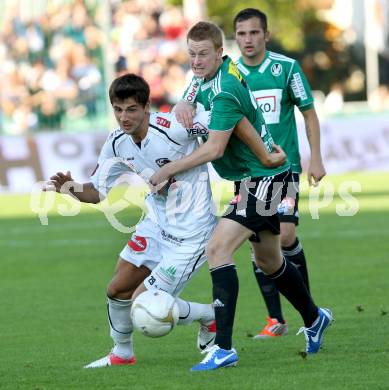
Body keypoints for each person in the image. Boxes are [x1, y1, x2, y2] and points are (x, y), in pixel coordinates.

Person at [45, 73, 283, 368]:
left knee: (143, 304)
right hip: (156, 225)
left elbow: (231, 116)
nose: (124, 117)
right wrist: (70, 188)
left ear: (147, 107)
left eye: (131, 109)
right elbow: (97, 193)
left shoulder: (176, 128)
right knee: (116, 290)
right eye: (118, 110)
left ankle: (209, 316)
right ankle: (121, 354)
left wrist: (265, 152)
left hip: (192, 235)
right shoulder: (117, 143)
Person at [150, 21, 333, 371]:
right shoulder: (212, 76)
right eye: (191, 54)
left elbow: (216, 148)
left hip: (262, 181)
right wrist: (183, 104)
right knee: (269, 262)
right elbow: (227, 115)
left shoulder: (226, 88)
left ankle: (224, 348)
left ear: (220, 53)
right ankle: (314, 317)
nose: (197, 61)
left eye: (204, 54)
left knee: (217, 249)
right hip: (259, 174)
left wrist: (168, 169)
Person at [233, 8, 327, 338]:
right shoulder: (231, 75)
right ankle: (277, 320)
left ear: (266, 35)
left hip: (283, 170)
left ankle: (309, 313)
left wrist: (315, 158)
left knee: (284, 237)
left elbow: (309, 114)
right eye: (242, 34)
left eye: (254, 33)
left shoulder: (285, 68)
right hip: (247, 173)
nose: (248, 39)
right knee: (259, 245)